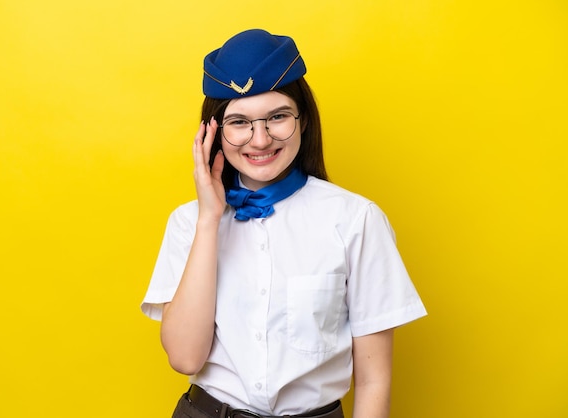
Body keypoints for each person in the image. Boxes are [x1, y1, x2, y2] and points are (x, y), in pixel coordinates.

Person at [141, 29, 427, 418]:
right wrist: (209, 220)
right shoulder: (187, 223)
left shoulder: (356, 220)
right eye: (239, 122)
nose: (259, 140)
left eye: (277, 117)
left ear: (303, 119)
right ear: (212, 133)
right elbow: (185, 358)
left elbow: (374, 379)